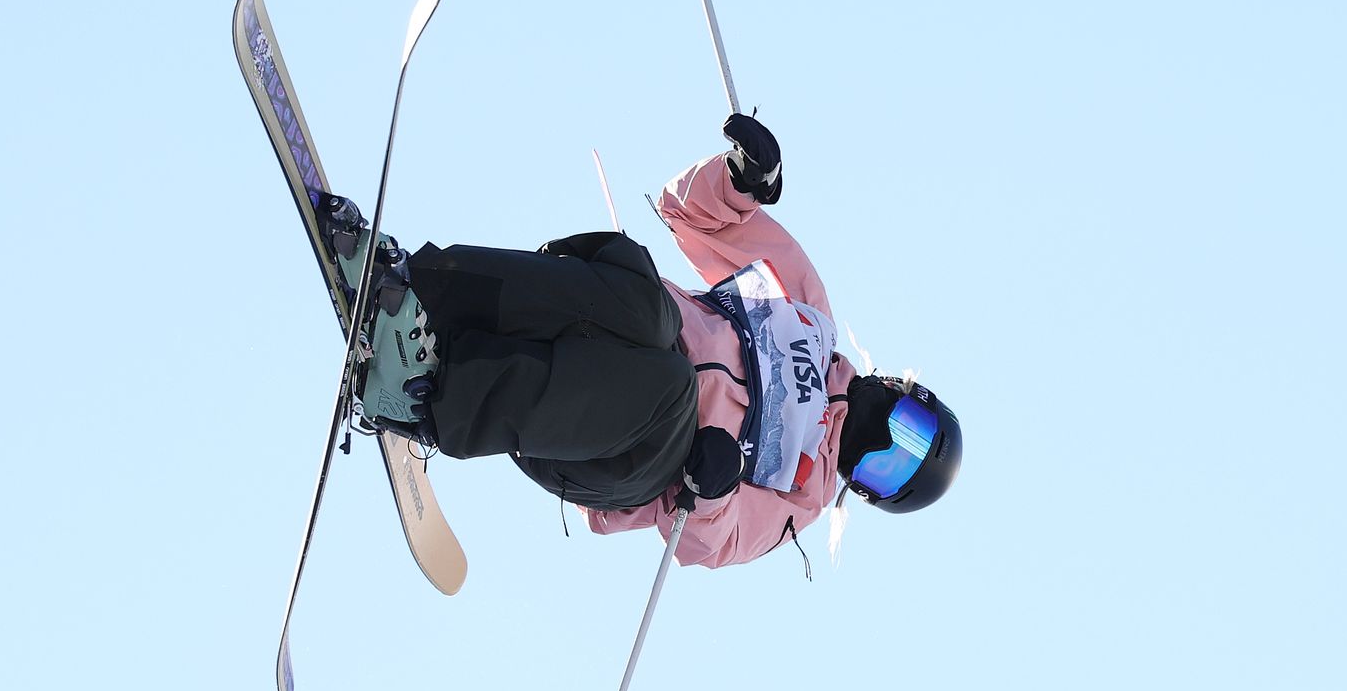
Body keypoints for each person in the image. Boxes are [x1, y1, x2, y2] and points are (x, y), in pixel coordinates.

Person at [343, 114, 962, 569]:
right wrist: (739, 182)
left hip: (616, 455)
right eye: (906, 433)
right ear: (901, 389)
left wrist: (712, 490)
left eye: (888, 471)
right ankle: (413, 289)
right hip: (608, 333)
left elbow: (711, 541)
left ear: (867, 492)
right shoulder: (807, 311)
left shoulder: (803, 496)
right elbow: (688, 215)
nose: (880, 445)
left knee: (669, 392)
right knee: (643, 296)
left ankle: (429, 401)